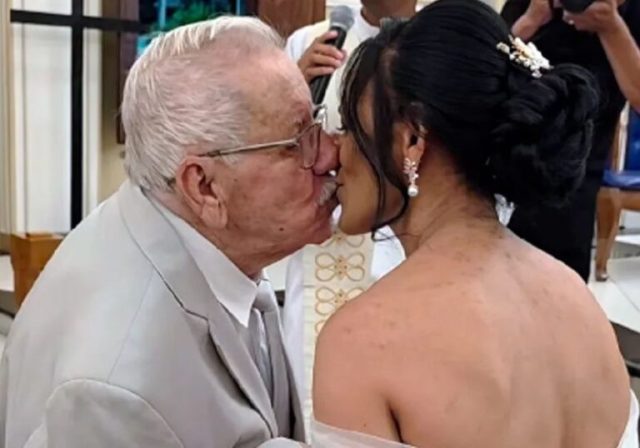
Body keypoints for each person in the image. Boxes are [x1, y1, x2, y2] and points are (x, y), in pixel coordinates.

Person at [0, 17, 339, 448]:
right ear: (204, 186)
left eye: (317, 124)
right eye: (299, 140)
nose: (330, 153)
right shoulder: (118, 390)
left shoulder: (186, 228)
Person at [311, 0, 638, 446]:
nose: (335, 151)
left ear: (412, 139)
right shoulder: (579, 303)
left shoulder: (361, 342)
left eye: (349, 126)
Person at [282, 0, 416, 406]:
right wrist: (292, 92)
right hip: (325, 248)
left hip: (408, 249)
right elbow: (279, 151)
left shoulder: (438, 45)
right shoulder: (312, 41)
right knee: (312, 392)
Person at [501, 0, 640, 282]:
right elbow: (487, 65)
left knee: (563, 281)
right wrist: (532, 19)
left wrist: (611, 27)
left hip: (576, 175)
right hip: (507, 160)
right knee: (498, 276)